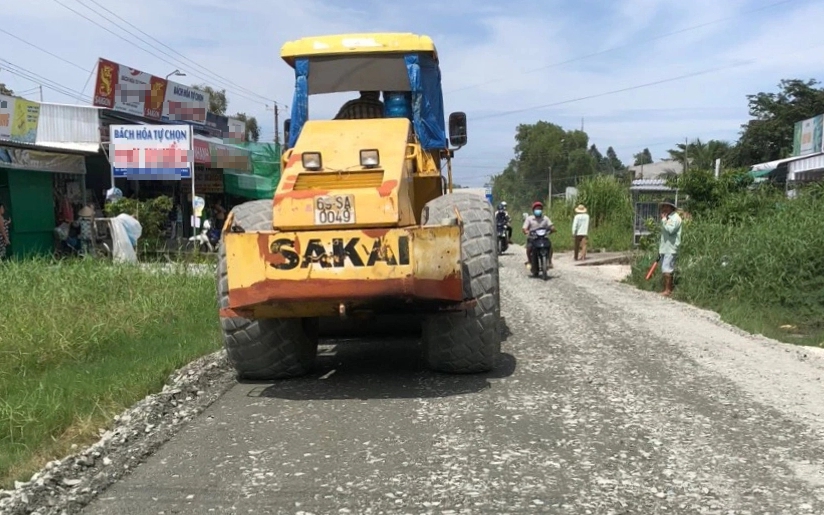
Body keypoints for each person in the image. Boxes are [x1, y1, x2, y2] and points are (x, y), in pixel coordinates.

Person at [522, 201, 555, 273]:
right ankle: (529, 261)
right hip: (533, 238)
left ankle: (549, 261)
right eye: (536, 209)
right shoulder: (529, 219)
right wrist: (526, 231)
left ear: (542, 210)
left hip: (543, 237)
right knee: (529, 248)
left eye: (539, 209)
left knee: (550, 247)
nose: (538, 210)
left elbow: (551, 226)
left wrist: (552, 229)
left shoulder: (545, 218)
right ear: (533, 210)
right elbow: (524, 228)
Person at [659, 199, 682, 297]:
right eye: (663, 206)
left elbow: (671, 230)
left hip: (671, 248)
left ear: (671, 208)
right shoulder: (668, 218)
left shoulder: (675, 218)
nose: (664, 208)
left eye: (666, 206)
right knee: (665, 269)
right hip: (665, 247)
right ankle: (666, 289)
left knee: (667, 269)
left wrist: (664, 220)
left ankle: (668, 290)